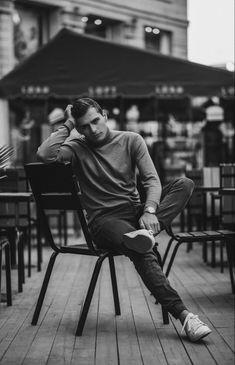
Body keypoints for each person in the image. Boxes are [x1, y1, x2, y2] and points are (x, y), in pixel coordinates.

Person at [37, 98, 211, 342]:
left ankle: (146, 234)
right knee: (142, 250)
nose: (93, 129)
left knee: (185, 184)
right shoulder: (76, 147)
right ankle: (184, 316)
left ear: (105, 115)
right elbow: (45, 154)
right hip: (104, 221)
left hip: (136, 211)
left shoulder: (131, 139)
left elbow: (151, 180)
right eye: (84, 126)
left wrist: (150, 210)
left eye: (96, 121)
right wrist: (67, 124)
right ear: (78, 127)